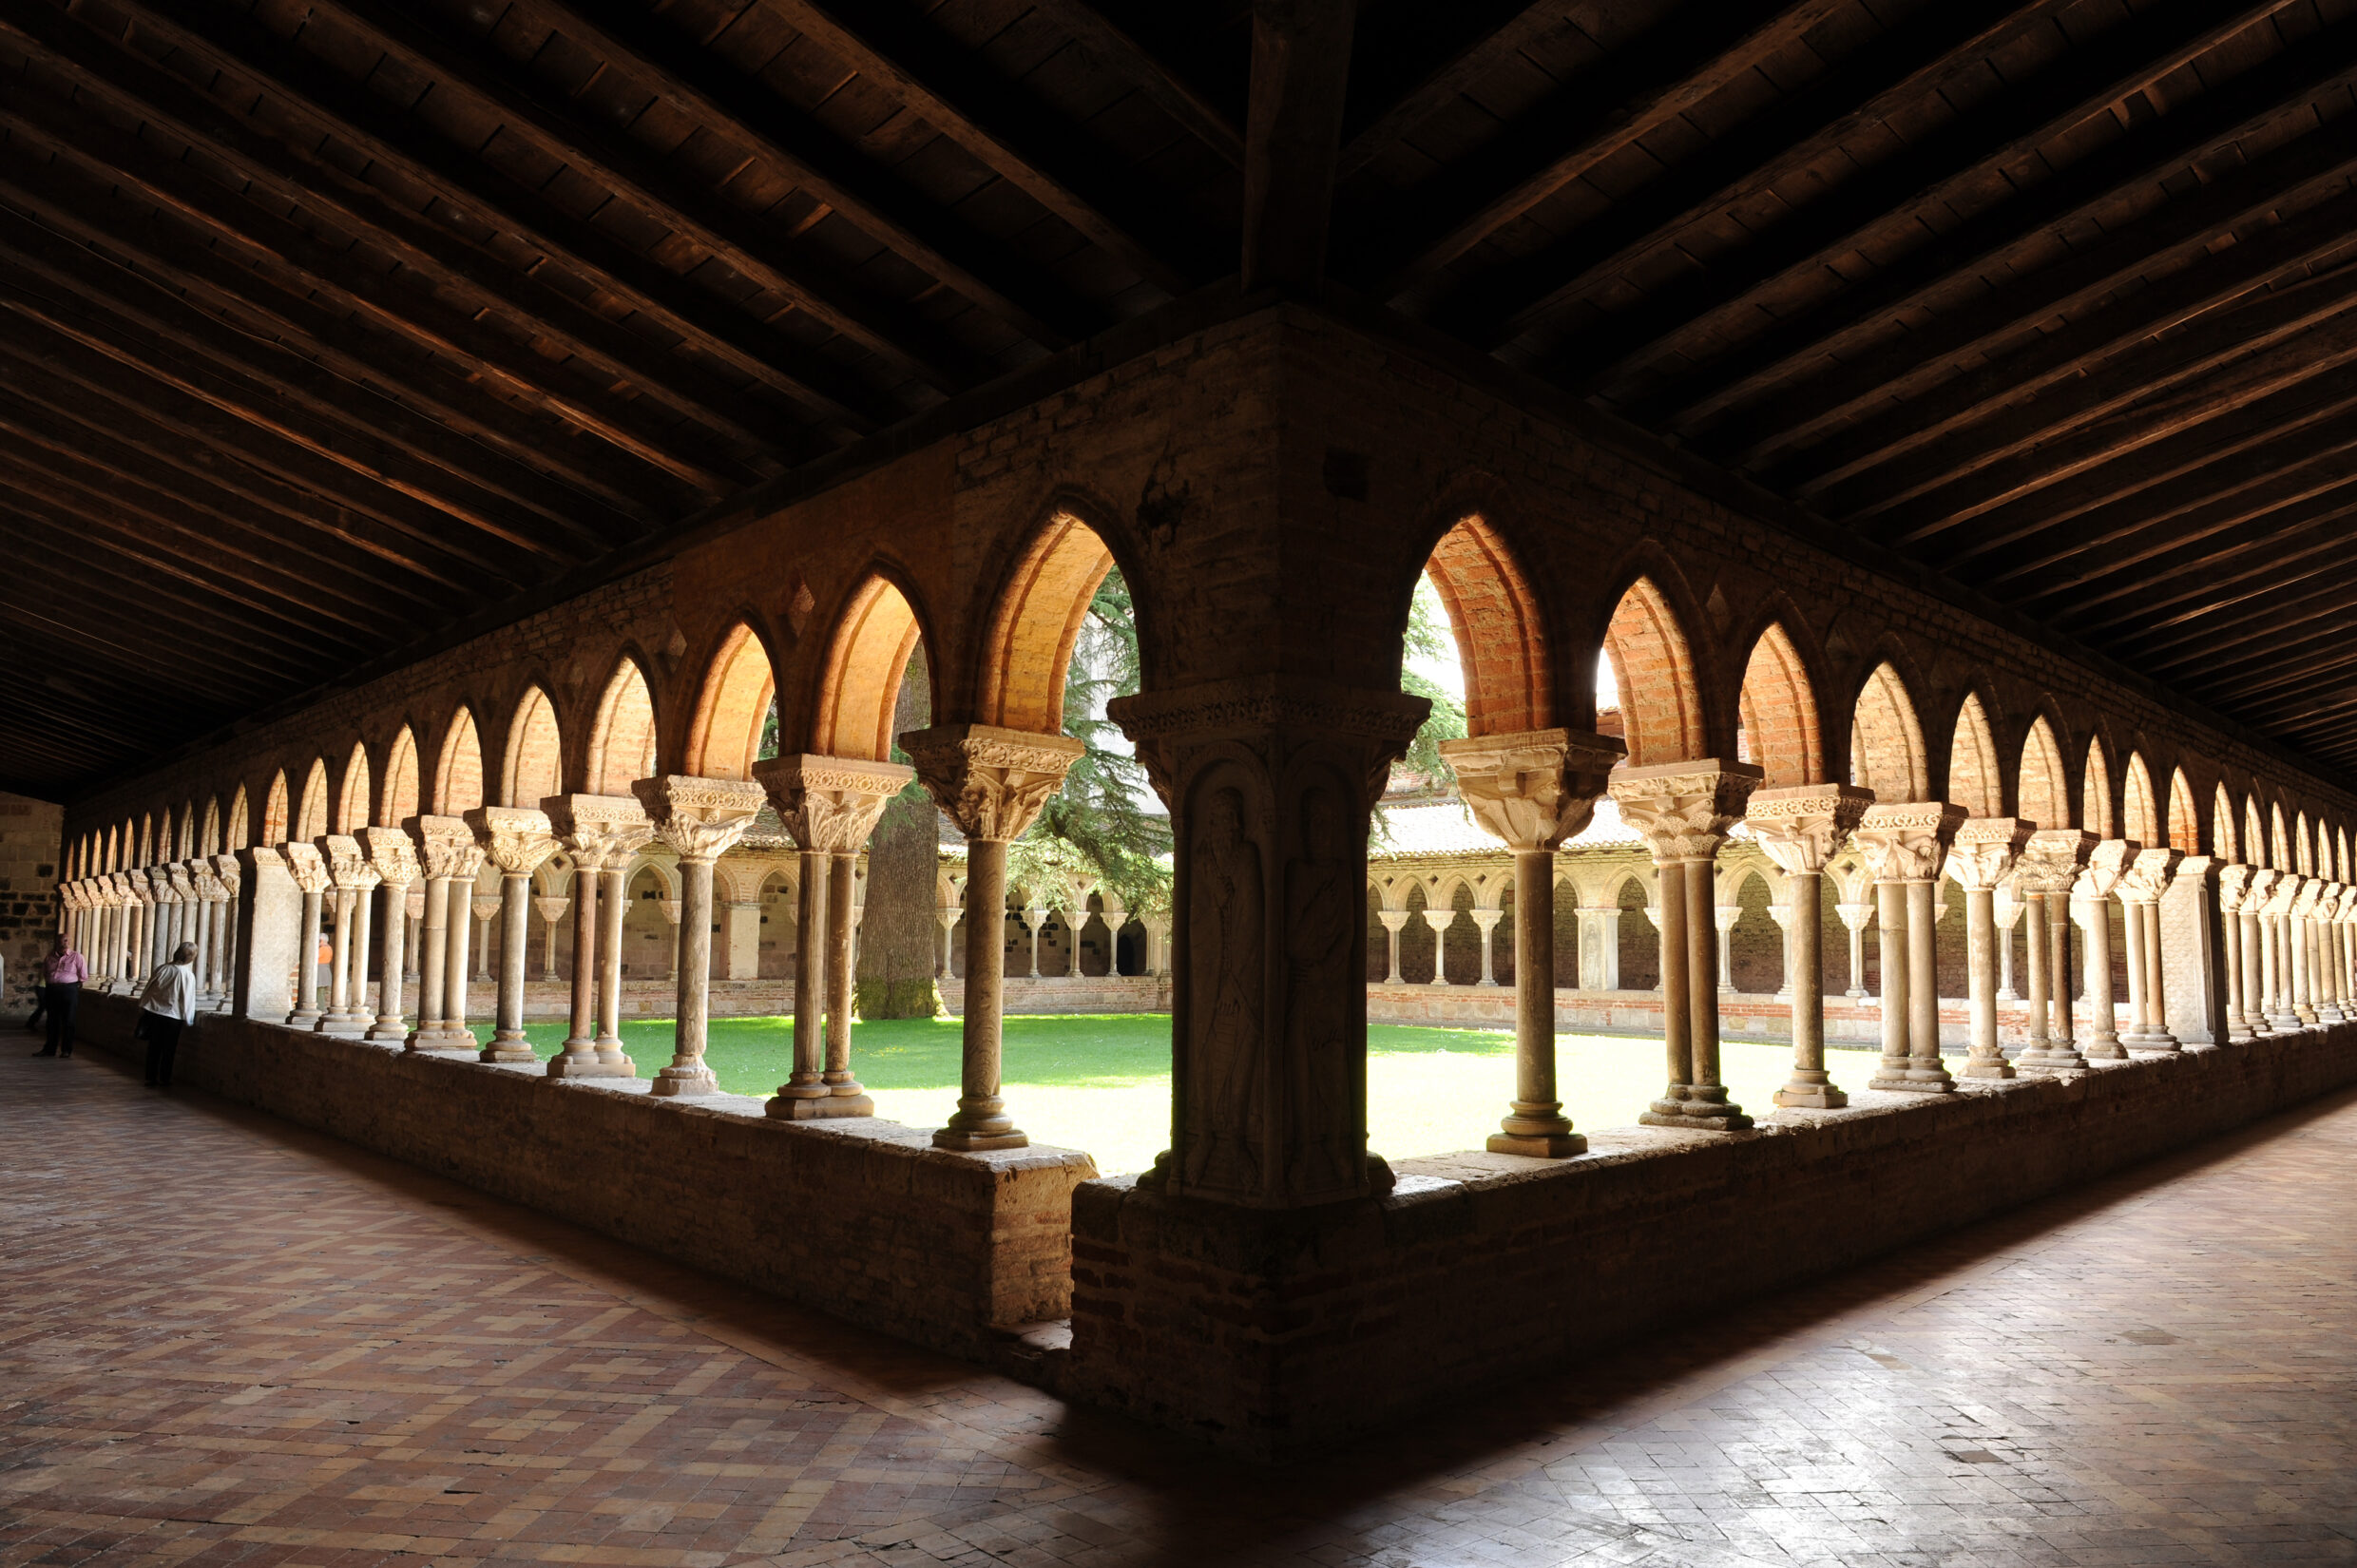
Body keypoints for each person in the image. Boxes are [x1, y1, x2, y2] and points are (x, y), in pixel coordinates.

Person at [139, 942, 201, 1088]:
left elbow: (148, 988)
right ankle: (164, 1078)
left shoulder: (163, 969)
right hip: (173, 1016)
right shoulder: (187, 975)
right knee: (169, 1049)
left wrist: (142, 1004)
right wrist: (189, 1019)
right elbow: (188, 999)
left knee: (154, 1047)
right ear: (191, 957)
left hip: (155, 1012)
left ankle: (150, 1077)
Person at [31, 933, 88, 1059]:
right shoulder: (49, 957)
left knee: (69, 1020)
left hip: (69, 990)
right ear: (56, 942)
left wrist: (69, 983)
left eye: (67, 940)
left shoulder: (77, 957)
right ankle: (49, 1049)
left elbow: (83, 975)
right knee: (52, 1020)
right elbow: (45, 973)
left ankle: (66, 1050)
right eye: (62, 941)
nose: (65, 943)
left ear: (70, 942)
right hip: (52, 990)